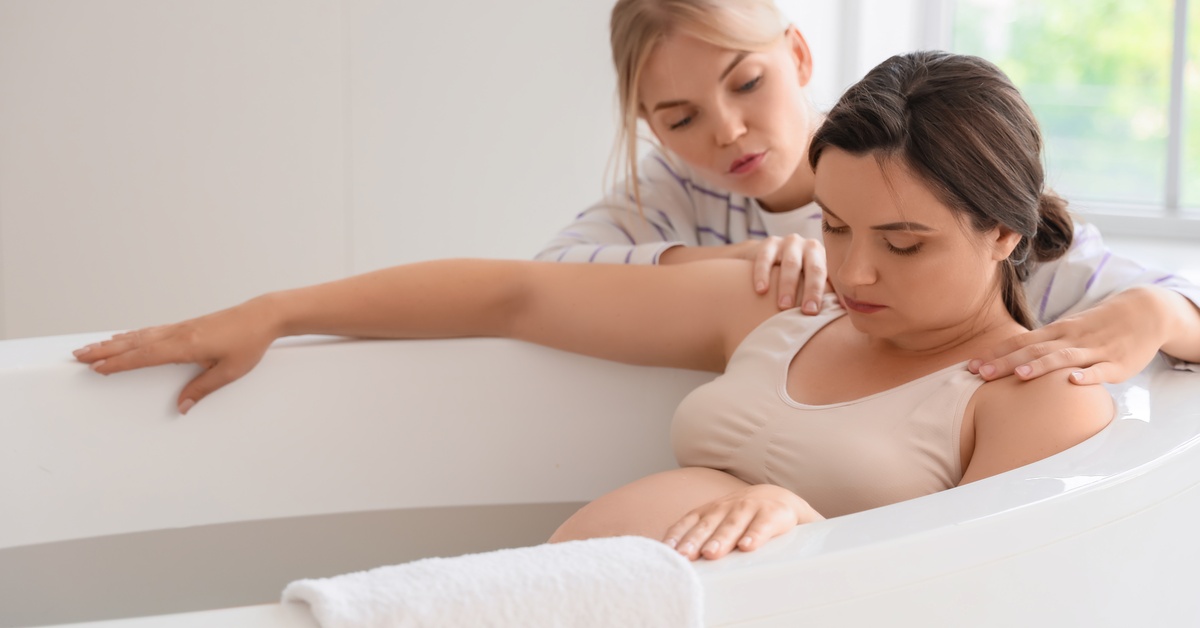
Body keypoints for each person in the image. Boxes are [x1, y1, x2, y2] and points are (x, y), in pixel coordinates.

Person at [75, 51, 1138, 562]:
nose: (856, 269)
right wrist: (276, 308)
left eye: (903, 243)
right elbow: (516, 293)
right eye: (838, 226)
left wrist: (812, 526)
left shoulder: (1030, 394)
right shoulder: (785, 302)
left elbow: (983, 596)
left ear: (1003, 232)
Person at [536, 0, 1200, 385]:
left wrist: (1157, 311)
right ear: (651, 125)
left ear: (797, 56)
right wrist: (731, 264)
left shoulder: (916, 166)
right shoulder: (673, 192)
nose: (729, 132)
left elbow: (1169, 304)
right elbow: (551, 275)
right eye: (682, 119)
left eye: (746, 84)